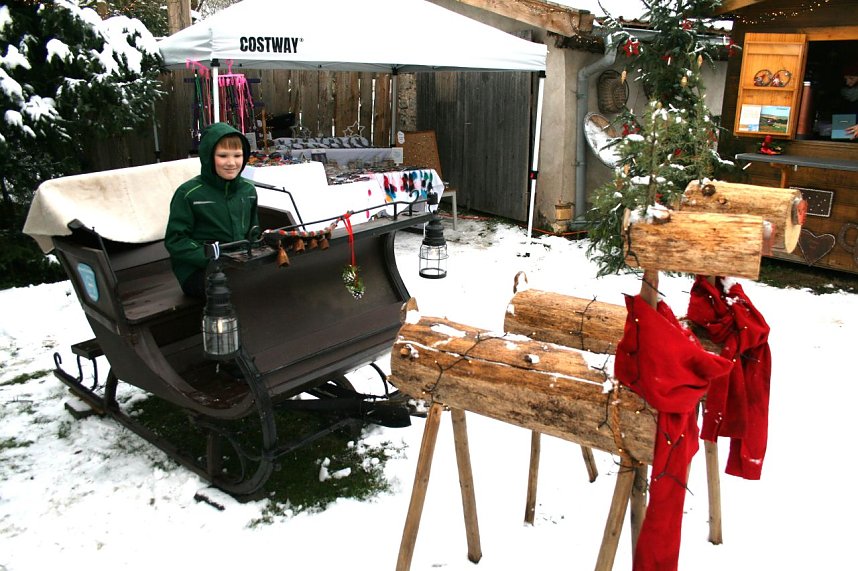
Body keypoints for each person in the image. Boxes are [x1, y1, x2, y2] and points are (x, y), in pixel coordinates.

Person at [165, 122, 259, 298]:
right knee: (235, 289)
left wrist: (256, 250)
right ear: (209, 156)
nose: (231, 163)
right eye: (223, 156)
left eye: (237, 155)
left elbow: (253, 232)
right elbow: (176, 240)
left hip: (237, 264)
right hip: (198, 270)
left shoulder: (248, 191)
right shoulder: (189, 194)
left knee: (274, 279)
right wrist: (211, 257)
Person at [839, 64, 858, 138]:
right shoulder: (844, 95)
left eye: (851, 78)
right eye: (846, 79)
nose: (847, 82)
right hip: (848, 136)